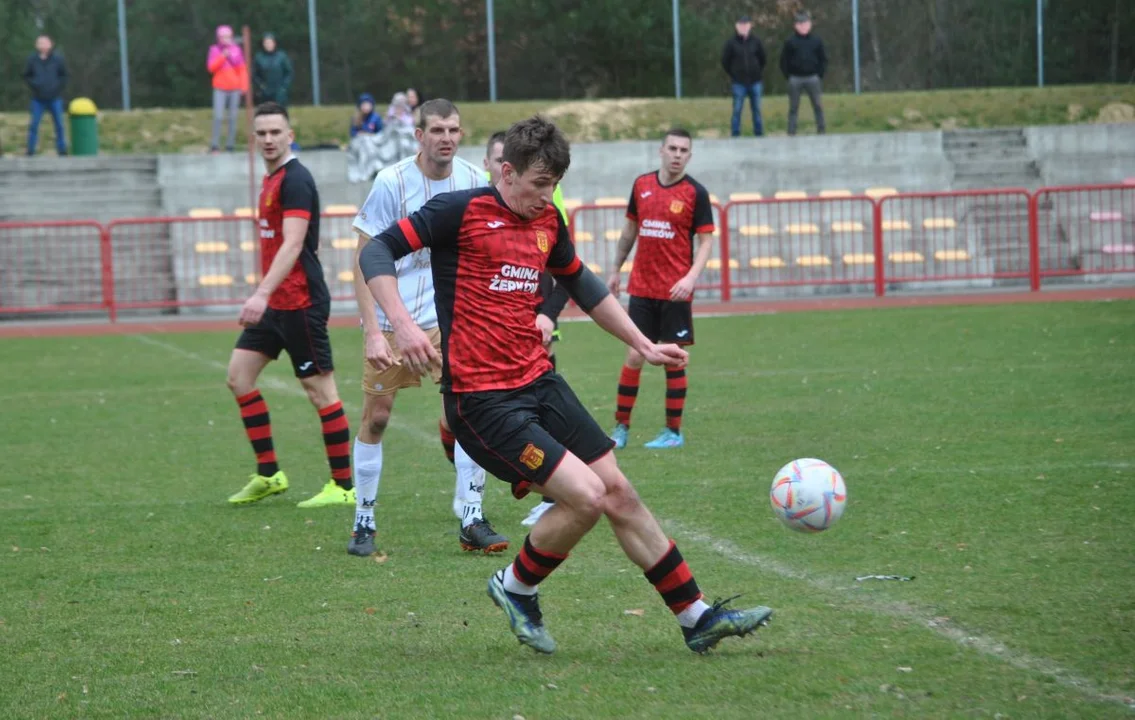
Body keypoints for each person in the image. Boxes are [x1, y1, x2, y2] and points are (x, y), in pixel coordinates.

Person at [359, 115, 772, 655]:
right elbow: (375, 252)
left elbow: (582, 281)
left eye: (554, 185)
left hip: (540, 381)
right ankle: (515, 586)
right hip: (482, 401)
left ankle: (696, 617)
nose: (546, 196)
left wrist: (643, 344)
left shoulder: (547, 219)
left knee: (618, 491)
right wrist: (404, 325)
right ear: (506, 173)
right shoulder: (458, 212)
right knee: (587, 497)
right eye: (537, 184)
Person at [348, 99, 508, 557]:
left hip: (450, 317)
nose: (446, 138)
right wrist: (373, 332)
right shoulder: (390, 181)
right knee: (377, 417)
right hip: (392, 314)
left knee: (470, 414)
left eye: (454, 130)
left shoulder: (476, 183)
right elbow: (363, 257)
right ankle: (364, 519)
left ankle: (472, 517)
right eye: (436, 129)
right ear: (418, 135)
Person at [225, 102, 355, 510]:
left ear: (290, 134)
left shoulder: (296, 180)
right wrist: (266, 295)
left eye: (275, 132)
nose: (268, 139)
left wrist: (260, 292)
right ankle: (269, 474)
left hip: (300, 302)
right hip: (275, 306)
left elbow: (295, 242)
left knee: (321, 392)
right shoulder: (271, 179)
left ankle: (344, 485)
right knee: (238, 377)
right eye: (261, 133)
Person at [607, 129, 715, 450]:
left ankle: (673, 432)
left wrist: (691, 278)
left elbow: (706, 240)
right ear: (661, 151)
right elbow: (629, 231)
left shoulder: (696, 193)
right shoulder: (642, 185)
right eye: (673, 148)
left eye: (684, 150)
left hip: (675, 292)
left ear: (689, 156)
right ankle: (620, 429)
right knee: (634, 355)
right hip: (641, 288)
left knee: (674, 359)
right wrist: (615, 269)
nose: (677, 154)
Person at [484, 129, 570, 528]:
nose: (545, 191)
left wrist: (548, 314)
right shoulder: (470, 209)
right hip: (484, 341)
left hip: (534, 324)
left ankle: (554, 492)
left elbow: (567, 267)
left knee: (540, 408)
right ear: (497, 168)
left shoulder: (549, 204)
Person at [780, 10, 827, 136]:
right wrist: (789, 76)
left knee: (818, 105)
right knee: (793, 107)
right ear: (796, 26)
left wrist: (819, 75)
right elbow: (783, 61)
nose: (803, 26)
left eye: (805, 23)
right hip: (795, 79)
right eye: (800, 24)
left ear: (810, 25)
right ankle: (791, 132)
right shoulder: (790, 42)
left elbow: (823, 59)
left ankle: (821, 130)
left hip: (812, 78)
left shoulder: (816, 40)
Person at [23, 35, 69, 156]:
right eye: (40, 43)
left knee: (59, 124)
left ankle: (62, 149)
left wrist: (57, 87)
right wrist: (35, 85)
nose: (42, 45)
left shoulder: (57, 59)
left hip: (54, 98)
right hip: (38, 99)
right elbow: (27, 75)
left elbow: (64, 75)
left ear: (50, 44)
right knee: (34, 125)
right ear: (36, 45)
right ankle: (30, 150)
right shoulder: (32, 60)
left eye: (45, 43)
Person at [721, 15, 767, 138]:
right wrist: (734, 73)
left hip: (755, 82)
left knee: (756, 109)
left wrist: (757, 71)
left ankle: (759, 133)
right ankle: (735, 134)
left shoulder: (756, 41)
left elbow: (763, 59)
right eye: (741, 25)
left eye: (746, 25)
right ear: (736, 27)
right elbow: (725, 61)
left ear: (750, 26)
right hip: (738, 83)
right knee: (737, 110)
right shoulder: (731, 43)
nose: (743, 27)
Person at [207, 25, 248, 152]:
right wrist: (223, 56)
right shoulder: (214, 50)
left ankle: (230, 145)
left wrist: (244, 86)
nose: (226, 39)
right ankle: (215, 144)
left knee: (233, 117)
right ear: (219, 38)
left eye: (228, 37)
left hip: (234, 87)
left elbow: (242, 69)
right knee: (218, 116)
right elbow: (211, 68)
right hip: (220, 87)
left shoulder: (237, 50)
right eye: (223, 37)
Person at [252, 33, 294, 107]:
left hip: (279, 91)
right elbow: (254, 74)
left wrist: (284, 87)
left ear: (274, 43)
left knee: (280, 113)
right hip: (265, 91)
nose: (268, 45)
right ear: (263, 44)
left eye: (270, 42)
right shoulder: (259, 57)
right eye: (266, 43)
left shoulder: (282, 56)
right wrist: (261, 85)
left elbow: (289, 72)